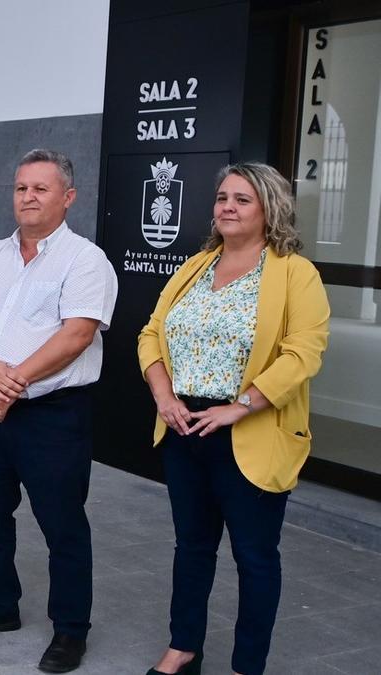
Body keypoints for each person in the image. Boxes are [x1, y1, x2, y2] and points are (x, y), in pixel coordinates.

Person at [138, 162, 329, 675]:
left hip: (252, 430)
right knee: (192, 547)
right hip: (184, 427)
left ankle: (248, 665)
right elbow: (151, 333)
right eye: (223, 197)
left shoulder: (294, 272)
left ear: (270, 208)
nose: (228, 207)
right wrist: (164, 395)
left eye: (242, 199)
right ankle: (184, 649)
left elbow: (304, 352)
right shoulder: (198, 264)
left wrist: (240, 405)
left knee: (254, 556)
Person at [0, 149, 117, 673]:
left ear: (68, 197)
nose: (28, 197)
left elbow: (77, 335)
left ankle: (70, 629)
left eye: (41, 189)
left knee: (62, 523)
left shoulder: (86, 259)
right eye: (21, 188)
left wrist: (12, 381)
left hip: (52, 415)